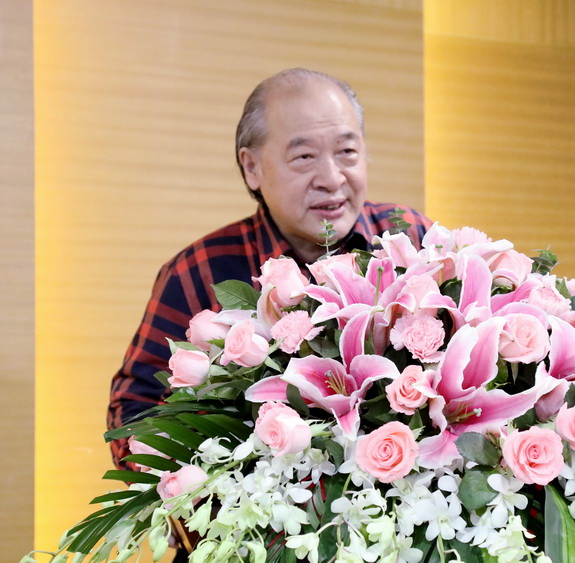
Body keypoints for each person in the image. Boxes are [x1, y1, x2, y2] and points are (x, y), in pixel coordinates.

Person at [107, 68, 433, 469]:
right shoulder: (198, 272)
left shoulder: (410, 240)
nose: (332, 179)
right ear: (252, 168)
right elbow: (134, 411)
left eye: (347, 152)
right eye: (304, 157)